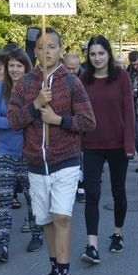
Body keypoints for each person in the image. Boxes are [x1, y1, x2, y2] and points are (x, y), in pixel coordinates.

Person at [9, 27, 96, 275]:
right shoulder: (23, 84)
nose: (46, 52)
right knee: (45, 220)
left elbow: (87, 122)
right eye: (41, 47)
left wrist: (59, 120)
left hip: (65, 161)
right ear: (34, 52)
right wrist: (35, 105)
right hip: (35, 163)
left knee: (62, 217)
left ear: (60, 50)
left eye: (52, 47)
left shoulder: (72, 82)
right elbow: (14, 121)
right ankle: (55, 270)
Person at [79, 35, 135, 264]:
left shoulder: (121, 77)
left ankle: (117, 233)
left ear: (108, 54)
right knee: (91, 195)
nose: (97, 58)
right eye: (92, 54)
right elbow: (78, 112)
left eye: (101, 53)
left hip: (118, 144)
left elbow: (129, 111)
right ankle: (92, 246)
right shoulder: (84, 79)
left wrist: (130, 144)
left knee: (118, 191)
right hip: (91, 145)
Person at [0, 48, 44, 262]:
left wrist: (13, 121)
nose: (14, 69)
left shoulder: (34, 89)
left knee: (32, 197)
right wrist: (20, 121)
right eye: (11, 65)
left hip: (28, 151)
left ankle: (37, 234)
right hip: (4, 151)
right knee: (4, 197)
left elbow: (38, 119)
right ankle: (1, 243)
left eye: (19, 65)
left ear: (26, 67)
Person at [63, 51, 86, 203]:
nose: (71, 72)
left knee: (80, 156)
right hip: (63, 122)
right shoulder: (58, 79)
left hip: (80, 122)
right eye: (68, 68)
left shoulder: (84, 79)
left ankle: (81, 186)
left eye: (74, 69)